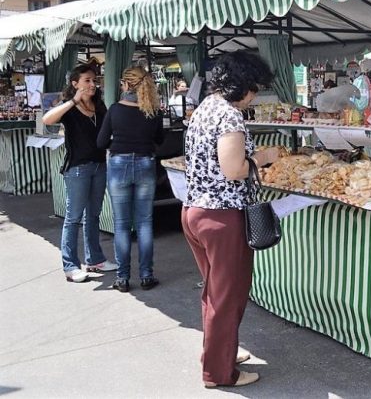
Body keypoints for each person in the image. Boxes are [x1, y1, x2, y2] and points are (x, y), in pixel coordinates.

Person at [181, 51, 281, 388]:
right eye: (254, 88)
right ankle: (218, 373)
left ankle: (219, 352)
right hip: (222, 216)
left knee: (214, 292)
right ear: (243, 85)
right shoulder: (230, 116)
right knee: (228, 296)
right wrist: (264, 156)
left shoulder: (205, 108)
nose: (254, 95)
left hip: (195, 210)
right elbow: (234, 169)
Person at [42, 64, 117, 283]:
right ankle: (70, 266)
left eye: (95, 80)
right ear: (75, 83)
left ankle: (95, 259)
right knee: (73, 217)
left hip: (99, 165)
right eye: (87, 80)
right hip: (77, 168)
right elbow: (47, 120)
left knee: (93, 215)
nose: (93, 84)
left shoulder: (99, 105)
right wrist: (73, 101)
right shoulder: (70, 107)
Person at [97, 67, 165, 292]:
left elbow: (101, 142)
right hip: (146, 163)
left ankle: (122, 278)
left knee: (122, 224)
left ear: (126, 85)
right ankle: (146, 275)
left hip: (119, 164)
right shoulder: (153, 111)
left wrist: (119, 144)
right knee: (145, 223)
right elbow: (160, 140)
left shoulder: (115, 109)